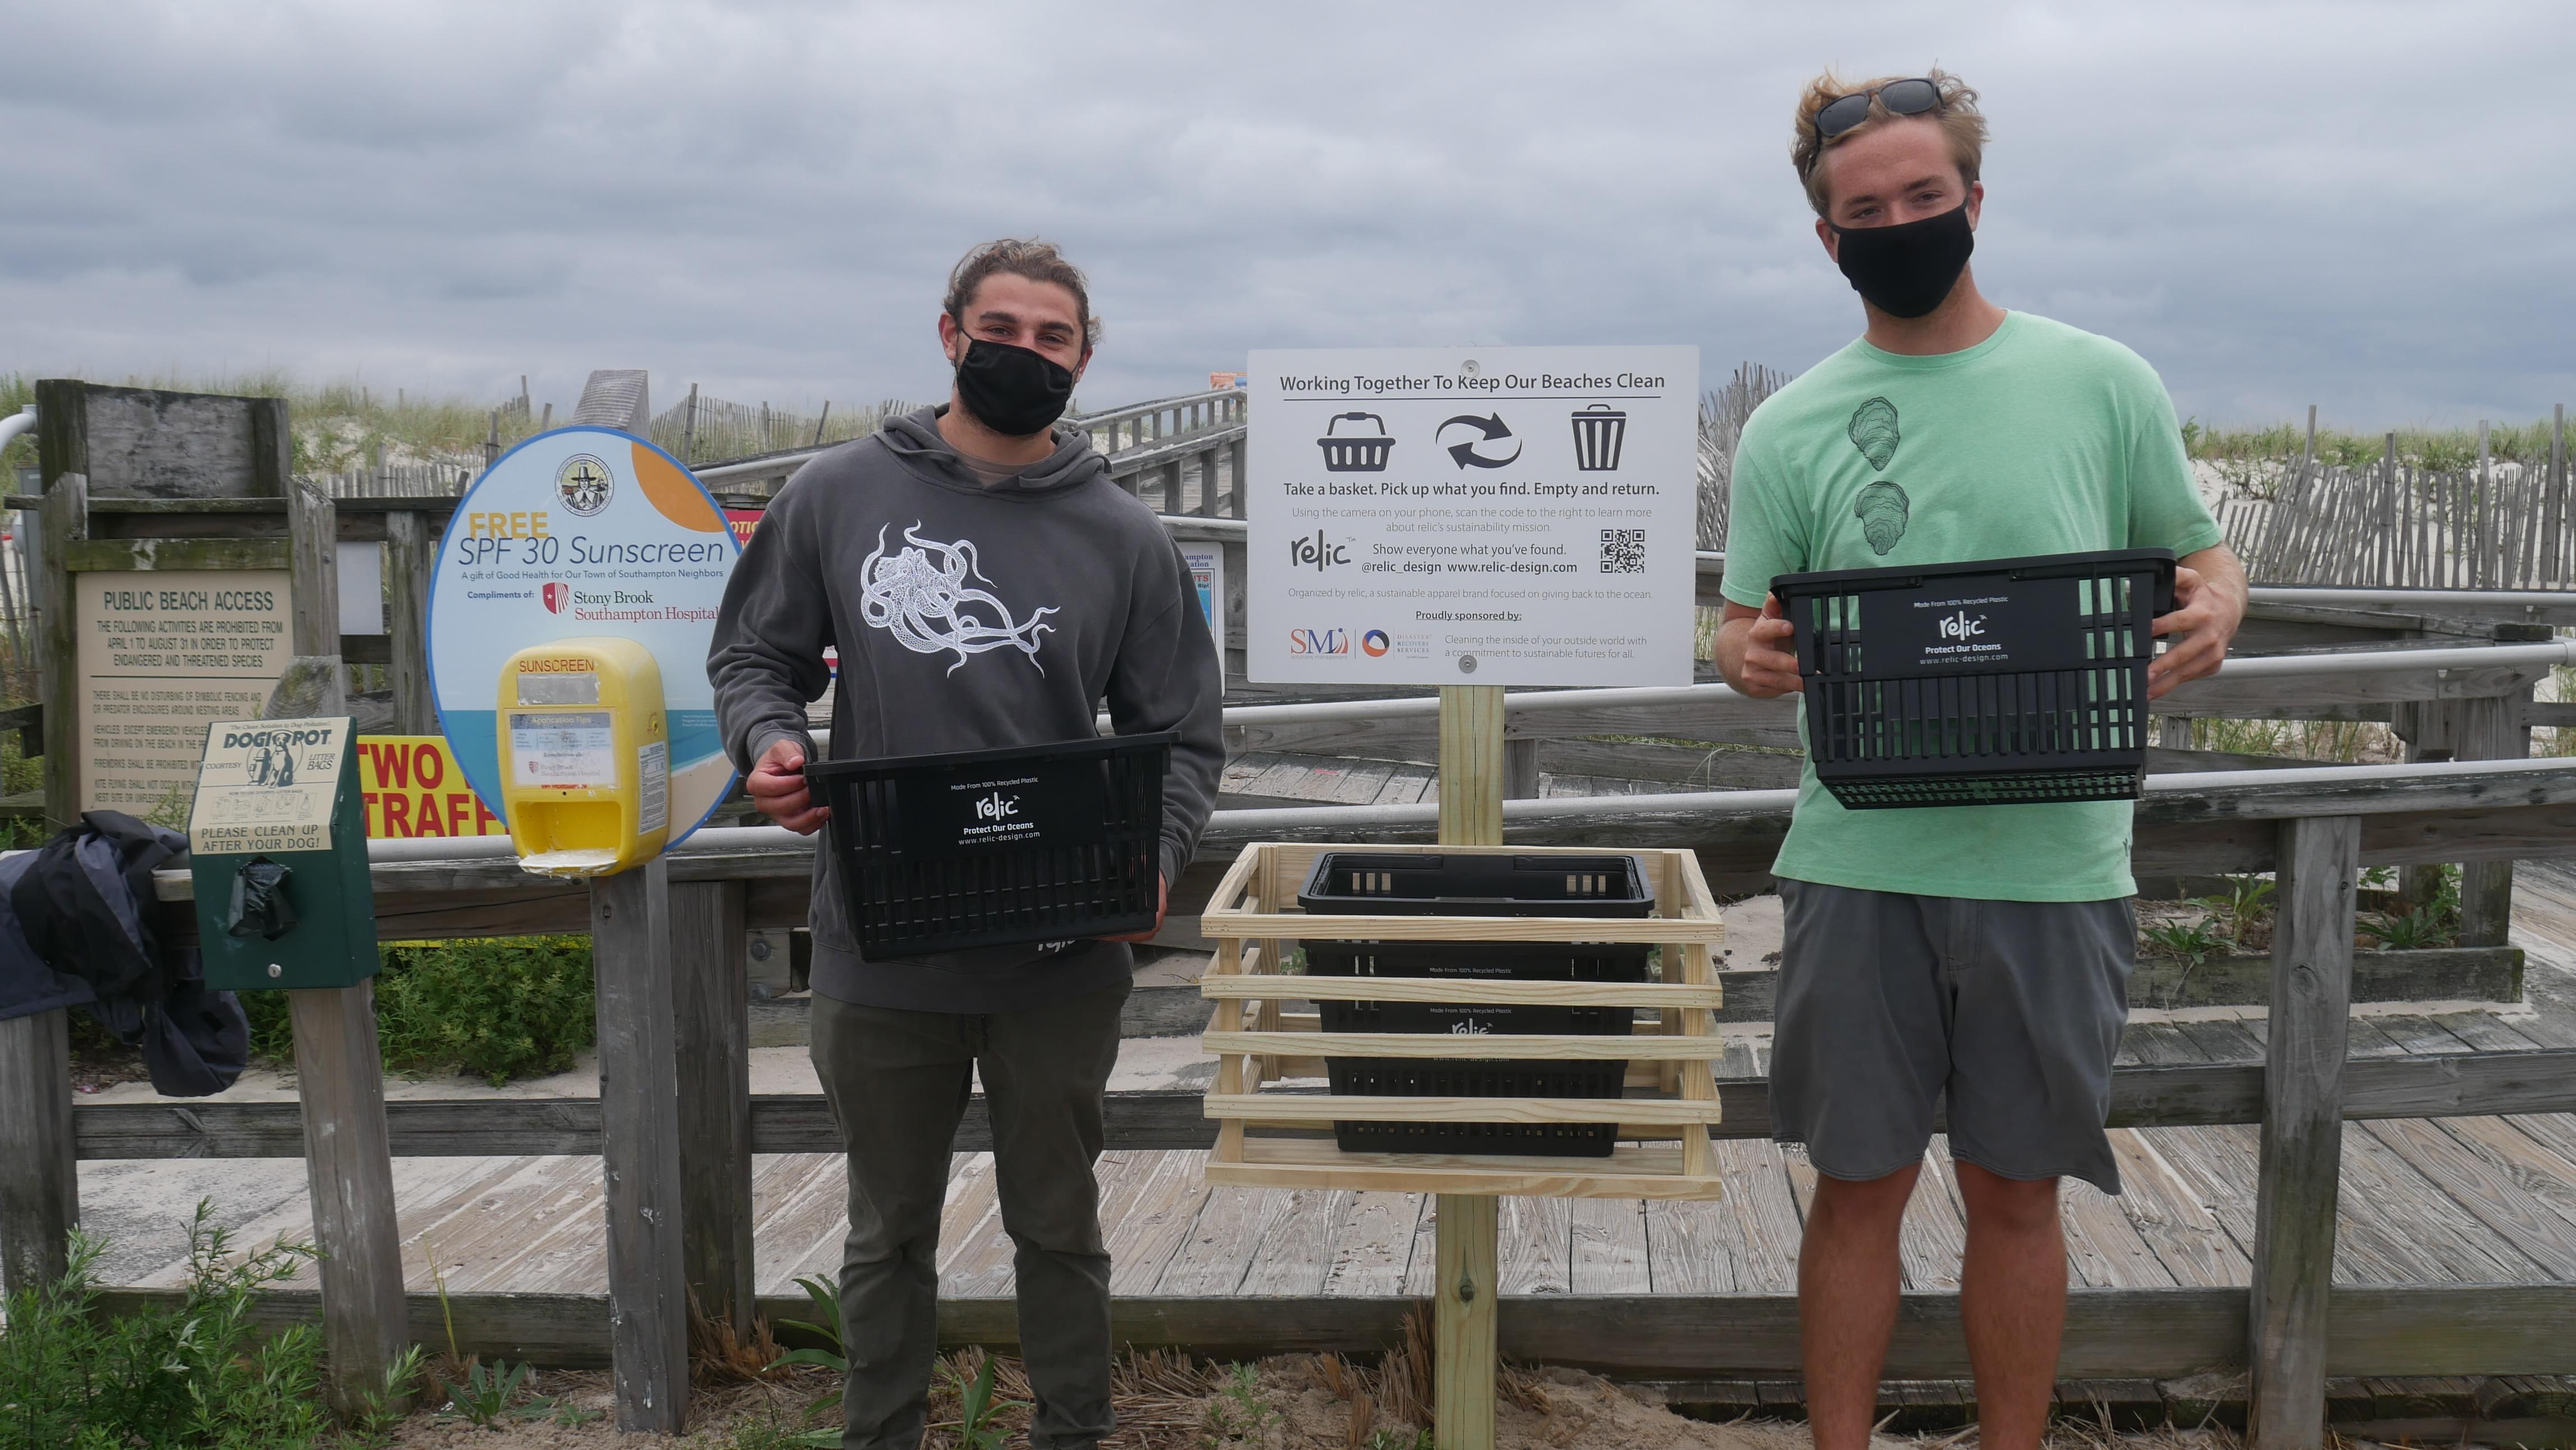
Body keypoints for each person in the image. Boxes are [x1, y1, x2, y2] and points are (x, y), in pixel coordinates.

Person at [1713, 72, 2246, 1450]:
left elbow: (2197, 547)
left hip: (2054, 854)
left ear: (1973, 201)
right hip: (1857, 850)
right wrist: (1744, 655)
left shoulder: (2100, 379)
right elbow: (1742, 622)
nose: (1899, 221)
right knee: (1856, 1184)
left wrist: (2219, 601)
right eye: (1866, 209)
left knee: (2020, 1188)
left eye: (1923, 196)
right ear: (1828, 238)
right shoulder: (1789, 426)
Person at [709, 237, 1225, 1450]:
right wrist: (769, 744)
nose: (1024, 353)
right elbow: (752, 659)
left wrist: (1152, 863)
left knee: (1061, 1222)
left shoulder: (1125, 536)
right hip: (880, 947)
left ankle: (1071, 1429)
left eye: (1052, 337)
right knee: (885, 1229)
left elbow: (1184, 736)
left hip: (1063, 951)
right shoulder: (837, 495)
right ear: (949, 335)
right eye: (1001, 329)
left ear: (1084, 357)